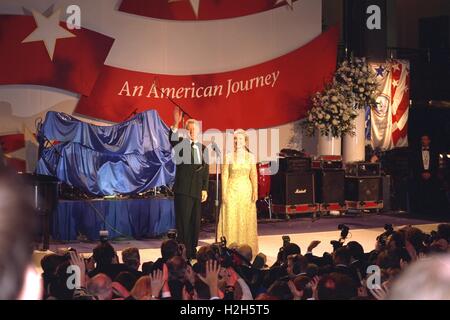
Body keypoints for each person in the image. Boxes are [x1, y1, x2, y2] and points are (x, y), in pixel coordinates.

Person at [170, 107, 209, 259]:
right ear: (187, 131)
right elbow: (171, 139)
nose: (192, 132)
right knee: (183, 224)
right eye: (190, 130)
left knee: (195, 224)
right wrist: (175, 123)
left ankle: (193, 253)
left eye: (195, 130)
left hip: (197, 191)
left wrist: (205, 189)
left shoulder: (203, 148)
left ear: (199, 131)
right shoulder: (181, 144)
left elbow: (205, 170)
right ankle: (183, 254)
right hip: (183, 190)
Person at [217, 129, 259, 254]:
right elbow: (224, 175)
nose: (237, 141)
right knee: (232, 217)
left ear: (245, 141)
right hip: (232, 190)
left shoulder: (251, 157)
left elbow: (254, 175)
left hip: (246, 190)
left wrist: (255, 191)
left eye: (240, 139)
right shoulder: (228, 156)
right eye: (235, 139)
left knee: (245, 219)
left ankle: (246, 249)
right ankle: (229, 249)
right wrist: (223, 193)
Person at [411, 134, 439, 216]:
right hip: (420, 175)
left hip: (431, 175)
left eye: (425, 139)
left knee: (430, 193)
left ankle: (431, 210)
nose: (424, 141)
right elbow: (415, 165)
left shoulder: (434, 152)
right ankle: (421, 211)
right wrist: (421, 173)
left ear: (429, 141)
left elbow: (436, 164)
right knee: (421, 193)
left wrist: (430, 173)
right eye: (422, 139)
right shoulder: (416, 152)